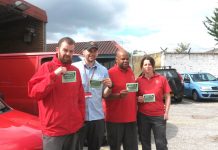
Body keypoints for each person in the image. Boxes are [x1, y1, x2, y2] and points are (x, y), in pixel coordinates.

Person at [28, 37, 85, 150]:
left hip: (73, 129)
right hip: (54, 131)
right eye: (65, 50)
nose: (68, 53)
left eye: (71, 51)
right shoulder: (47, 67)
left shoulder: (75, 71)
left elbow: (80, 98)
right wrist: (54, 75)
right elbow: (34, 93)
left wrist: (80, 119)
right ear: (57, 49)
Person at [73, 41, 112, 150]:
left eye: (95, 51)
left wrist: (109, 87)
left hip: (97, 118)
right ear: (83, 52)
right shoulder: (74, 68)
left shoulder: (103, 70)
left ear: (97, 53)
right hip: (79, 117)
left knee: (95, 147)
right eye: (90, 51)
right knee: (76, 147)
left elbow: (104, 95)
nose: (92, 53)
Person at [104, 50, 138, 150]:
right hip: (115, 120)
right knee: (115, 147)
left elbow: (134, 91)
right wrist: (118, 96)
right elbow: (105, 96)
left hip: (131, 118)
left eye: (127, 59)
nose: (126, 61)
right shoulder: (109, 73)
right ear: (116, 59)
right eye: (123, 59)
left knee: (132, 147)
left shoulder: (131, 72)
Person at [136, 55, 171, 150]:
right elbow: (133, 97)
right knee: (145, 142)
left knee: (161, 143)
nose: (147, 66)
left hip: (159, 116)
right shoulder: (138, 81)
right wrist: (138, 98)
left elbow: (168, 96)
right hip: (143, 116)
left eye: (150, 64)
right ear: (142, 67)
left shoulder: (161, 79)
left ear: (153, 66)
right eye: (145, 64)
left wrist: (166, 112)